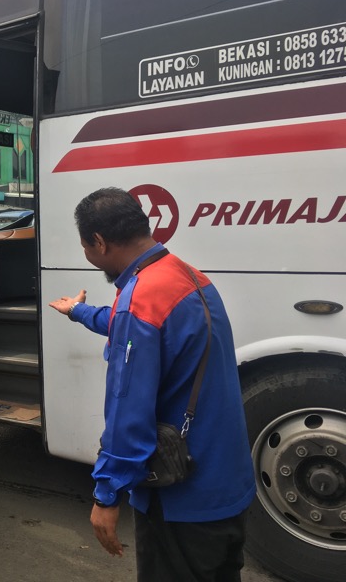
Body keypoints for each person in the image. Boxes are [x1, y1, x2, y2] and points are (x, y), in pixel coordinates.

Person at [49, 188, 255, 582]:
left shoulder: (140, 300)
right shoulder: (186, 275)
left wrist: (106, 495)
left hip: (182, 503)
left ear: (99, 242)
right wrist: (80, 312)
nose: (89, 258)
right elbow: (144, 329)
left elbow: (129, 411)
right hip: (227, 486)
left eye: (86, 248)